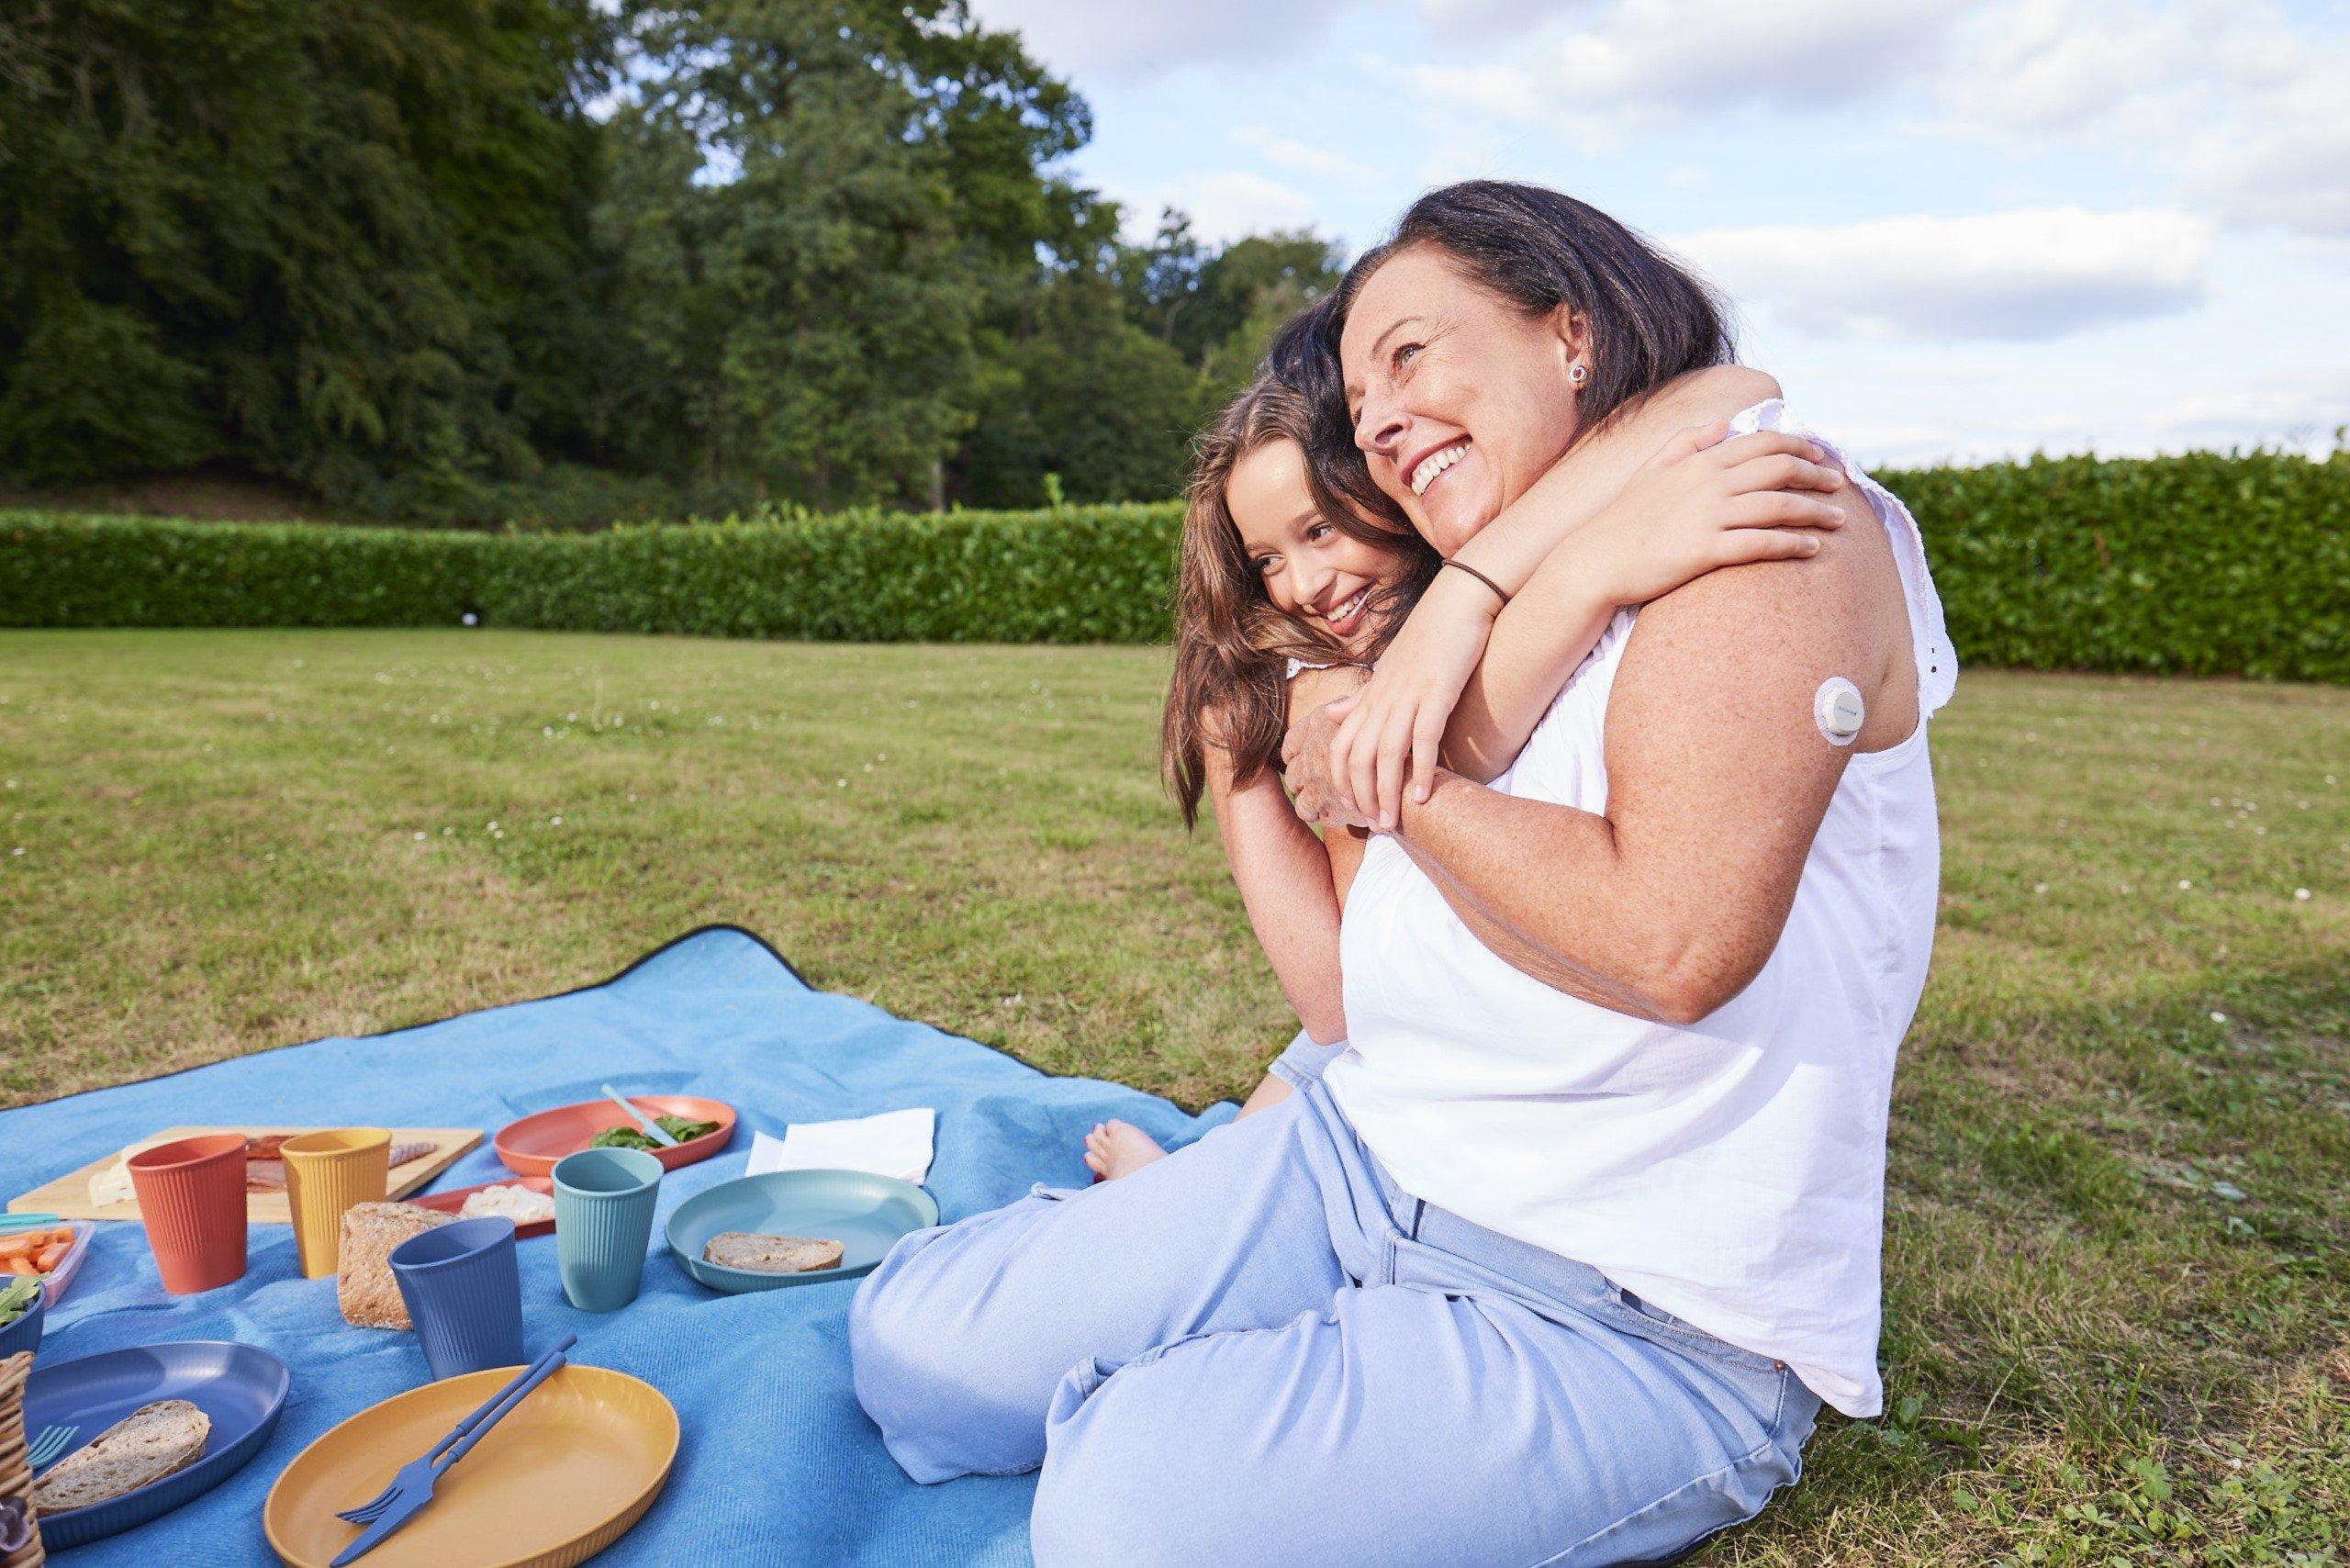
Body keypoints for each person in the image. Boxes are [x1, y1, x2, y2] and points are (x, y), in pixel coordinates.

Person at [855, 179, 1953, 1567]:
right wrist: (1446, 632)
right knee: (914, 1344)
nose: (1376, 419)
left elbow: (1673, 945)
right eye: (1361, 397)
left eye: (1409, 356)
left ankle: (1228, 1383)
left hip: (1619, 1307)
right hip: (1362, 1160)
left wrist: (1377, 763)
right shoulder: (1489, 582)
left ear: (1570, 330)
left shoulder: (1760, 515)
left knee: (1122, 1520)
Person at [1085, 345, 1832, 1180]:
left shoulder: (1479, 568)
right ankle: (1184, 1180)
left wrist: (1505, 583)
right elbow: (1338, 1003)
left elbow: (1737, 388)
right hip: (1405, 1013)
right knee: (1320, 1072)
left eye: (1320, 529)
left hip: (1484, 1005)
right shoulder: (1336, 685)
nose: (1302, 585)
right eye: (1266, 562)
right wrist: (1233, 759)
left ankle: (1190, 1175)